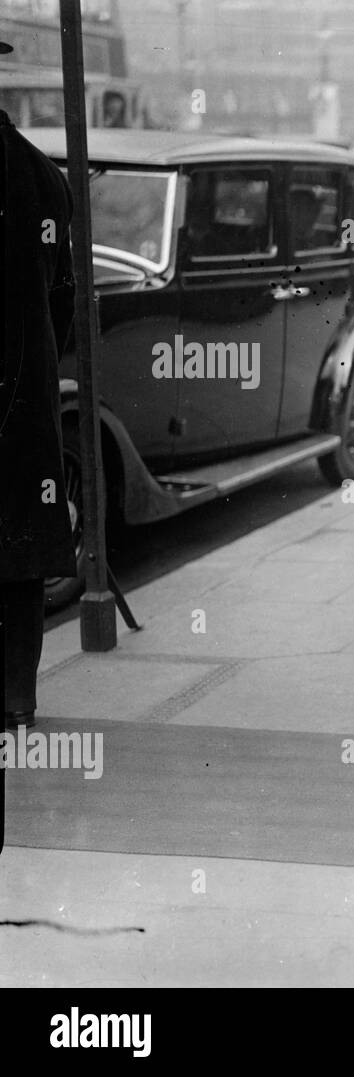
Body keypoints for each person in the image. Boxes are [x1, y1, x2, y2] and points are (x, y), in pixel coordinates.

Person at [0, 35, 77, 731]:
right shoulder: (42, 174)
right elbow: (65, 304)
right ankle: (17, 696)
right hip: (25, 403)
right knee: (18, 552)